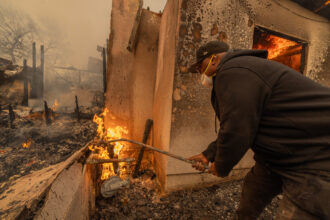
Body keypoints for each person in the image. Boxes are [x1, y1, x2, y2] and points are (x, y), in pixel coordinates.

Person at [188, 41, 330, 219]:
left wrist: (221, 166)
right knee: (253, 189)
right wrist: (209, 154)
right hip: (278, 156)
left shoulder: (232, 71)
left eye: (200, 68)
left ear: (214, 60)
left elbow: (236, 128)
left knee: (299, 210)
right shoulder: (242, 71)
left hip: (312, 158)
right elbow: (245, 121)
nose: (201, 74)